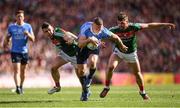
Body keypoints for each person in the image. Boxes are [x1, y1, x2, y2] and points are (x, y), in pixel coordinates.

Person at [99, 12, 176, 100]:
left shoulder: (134, 27)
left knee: (137, 74)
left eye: (123, 23)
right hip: (118, 53)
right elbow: (102, 35)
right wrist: (100, 42)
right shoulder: (113, 30)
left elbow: (149, 25)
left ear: (127, 22)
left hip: (131, 54)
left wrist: (165, 24)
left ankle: (143, 92)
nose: (121, 25)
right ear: (117, 22)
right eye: (119, 23)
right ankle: (106, 87)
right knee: (110, 67)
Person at [77, 17, 128, 101]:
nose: (99, 30)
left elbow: (116, 37)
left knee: (93, 61)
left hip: (94, 47)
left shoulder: (103, 30)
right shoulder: (86, 28)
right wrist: (89, 40)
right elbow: (79, 44)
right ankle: (85, 91)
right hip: (82, 47)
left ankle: (89, 79)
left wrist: (122, 45)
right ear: (93, 25)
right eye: (97, 28)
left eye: (100, 28)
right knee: (81, 72)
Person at [41, 22, 80, 94]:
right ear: (44, 33)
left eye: (49, 29)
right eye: (46, 31)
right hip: (65, 54)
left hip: (75, 54)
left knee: (80, 75)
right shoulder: (51, 37)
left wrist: (72, 39)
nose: (48, 32)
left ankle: (85, 90)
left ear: (52, 28)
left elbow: (68, 33)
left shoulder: (57, 33)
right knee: (53, 68)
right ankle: (57, 87)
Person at [3, 10, 35, 94]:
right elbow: (7, 39)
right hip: (15, 51)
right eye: (18, 16)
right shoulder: (11, 27)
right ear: (15, 17)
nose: (20, 18)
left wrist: (28, 34)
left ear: (24, 17)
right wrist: (7, 38)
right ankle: (17, 87)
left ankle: (21, 86)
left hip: (24, 52)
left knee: (23, 72)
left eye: (21, 16)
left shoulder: (28, 26)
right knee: (16, 70)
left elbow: (33, 39)